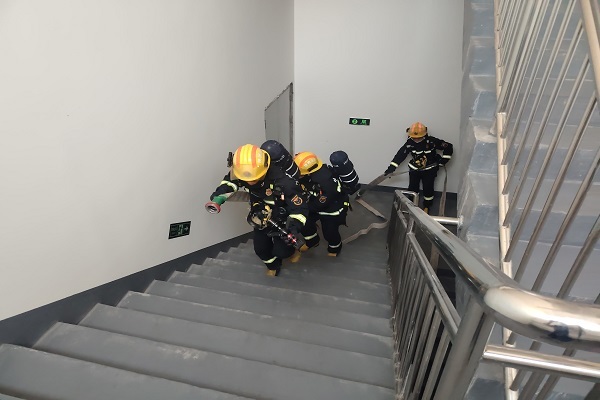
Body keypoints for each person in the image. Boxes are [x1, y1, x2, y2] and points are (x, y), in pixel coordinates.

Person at [207, 144, 309, 276]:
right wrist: (219, 196)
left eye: (254, 179)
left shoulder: (285, 182)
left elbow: (300, 209)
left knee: (282, 251)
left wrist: (293, 229)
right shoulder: (241, 170)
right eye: (246, 179)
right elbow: (230, 182)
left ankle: (292, 252)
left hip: (282, 220)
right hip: (260, 216)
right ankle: (273, 265)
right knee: (260, 249)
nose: (250, 182)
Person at [384, 122, 453, 214]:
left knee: (428, 188)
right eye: (414, 137)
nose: (416, 139)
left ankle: (427, 206)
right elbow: (400, 156)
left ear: (424, 135)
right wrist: (390, 169)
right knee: (412, 188)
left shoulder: (432, 141)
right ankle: (411, 205)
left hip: (429, 170)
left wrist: (443, 161)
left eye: (419, 137)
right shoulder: (409, 143)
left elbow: (448, 146)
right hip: (414, 169)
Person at [293, 151, 350, 257]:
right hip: (314, 203)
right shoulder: (310, 173)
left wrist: (302, 208)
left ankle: (334, 248)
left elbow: (320, 203)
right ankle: (312, 241)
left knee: (330, 233)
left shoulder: (326, 183)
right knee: (303, 222)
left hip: (331, 210)